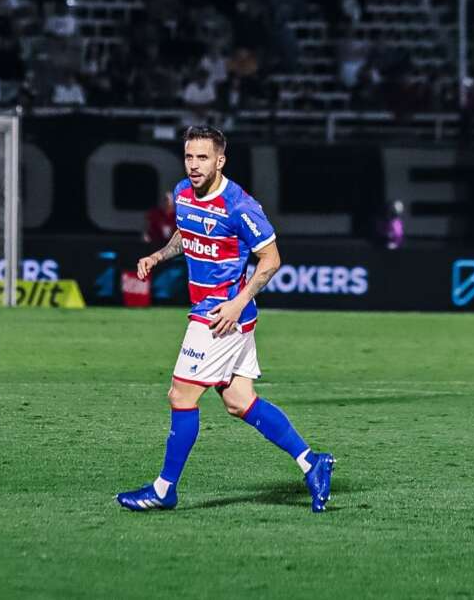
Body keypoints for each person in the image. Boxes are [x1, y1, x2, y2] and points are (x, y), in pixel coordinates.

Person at [116, 126, 335, 513]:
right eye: (189, 157)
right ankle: (311, 462)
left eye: (202, 158)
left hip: (220, 316)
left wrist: (238, 302)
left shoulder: (240, 206)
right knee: (239, 400)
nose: (194, 165)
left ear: (220, 160)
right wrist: (158, 256)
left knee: (181, 396)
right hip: (223, 314)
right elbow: (185, 233)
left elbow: (271, 259)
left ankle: (164, 489)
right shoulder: (183, 192)